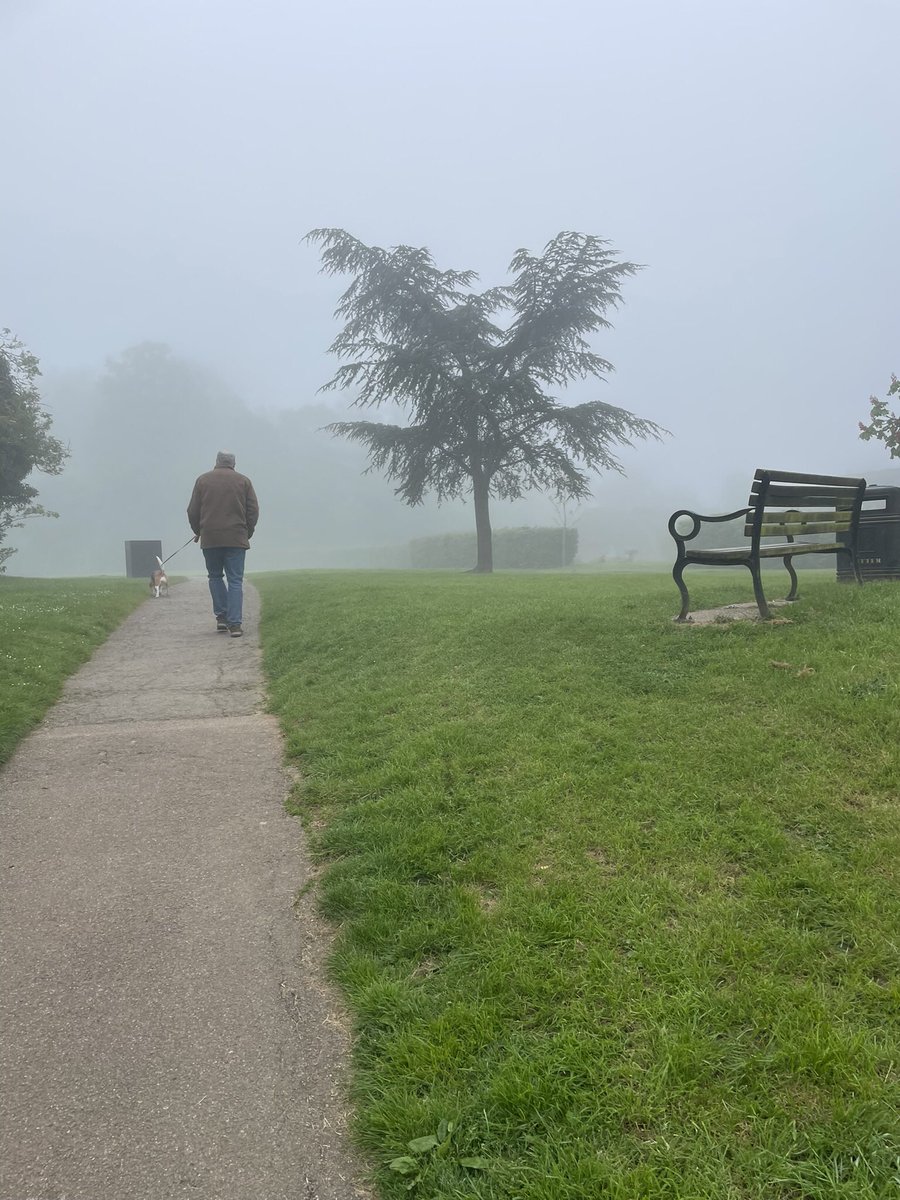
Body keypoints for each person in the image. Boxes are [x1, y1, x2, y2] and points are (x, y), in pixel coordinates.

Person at [187, 451, 259, 637]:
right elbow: (253, 510)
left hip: (210, 538)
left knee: (215, 576)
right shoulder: (244, 481)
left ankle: (221, 618)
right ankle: (235, 625)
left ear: (217, 462)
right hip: (236, 537)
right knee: (235, 580)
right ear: (233, 463)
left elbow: (193, 510)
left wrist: (198, 530)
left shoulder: (202, 480)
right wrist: (247, 532)